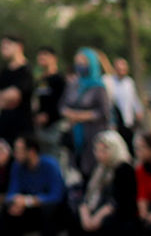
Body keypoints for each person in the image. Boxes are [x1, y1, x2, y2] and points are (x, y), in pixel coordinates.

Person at [69, 130, 138, 236]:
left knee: (111, 223)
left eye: (104, 150)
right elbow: (87, 195)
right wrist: (85, 213)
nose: (99, 154)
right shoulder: (98, 169)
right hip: (97, 210)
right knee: (75, 220)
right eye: (97, 150)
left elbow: (119, 200)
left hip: (117, 212)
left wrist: (98, 217)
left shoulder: (123, 168)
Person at [0, 133, 65, 236]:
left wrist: (29, 201)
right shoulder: (17, 166)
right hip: (29, 212)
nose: (15, 154)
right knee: (7, 211)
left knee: (49, 213)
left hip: (51, 212)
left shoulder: (50, 165)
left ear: (31, 151)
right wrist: (17, 202)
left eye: (19, 151)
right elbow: (12, 192)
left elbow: (56, 195)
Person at [60, 48, 111, 179]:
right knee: (75, 171)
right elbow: (62, 105)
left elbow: (104, 111)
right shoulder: (73, 85)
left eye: (83, 62)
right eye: (78, 62)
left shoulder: (99, 86)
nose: (80, 66)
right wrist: (69, 113)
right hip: (74, 134)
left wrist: (82, 116)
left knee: (92, 170)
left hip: (92, 133)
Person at [0, 35, 35, 145]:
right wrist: (4, 99)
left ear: (19, 47)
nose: (3, 48)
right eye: (1, 46)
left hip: (21, 130)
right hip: (2, 129)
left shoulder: (26, 71)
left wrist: (0, 100)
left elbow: (14, 96)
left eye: (7, 45)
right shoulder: (3, 72)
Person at [32, 46, 66, 160]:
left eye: (45, 55)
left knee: (53, 158)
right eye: (40, 55)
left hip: (54, 126)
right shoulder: (41, 80)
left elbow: (62, 102)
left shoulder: (59, 79)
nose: (42, 57)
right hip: (40, 127)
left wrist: (49, 115)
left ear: (53, 58)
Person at [106, 58, 142, 150]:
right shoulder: (109, 81)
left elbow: (134, 98)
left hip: (128, 121)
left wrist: (138, 111)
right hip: (116, 122)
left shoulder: (129, 82)